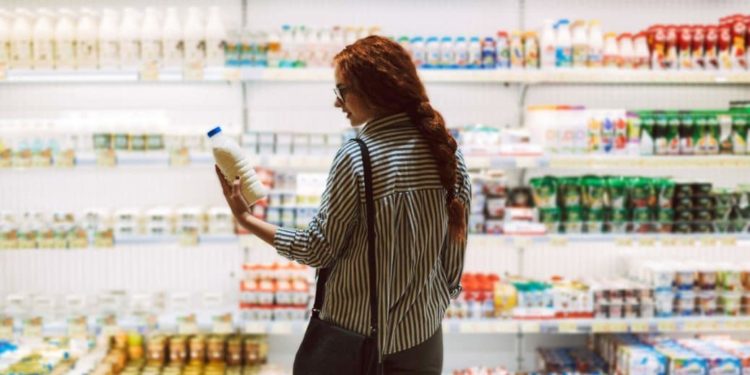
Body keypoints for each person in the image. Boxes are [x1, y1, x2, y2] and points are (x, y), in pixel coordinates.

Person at [216, 35, 471, 374]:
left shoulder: (357, 156)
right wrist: (424, 306)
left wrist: (247, 219)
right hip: (423, 343)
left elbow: (318, 249)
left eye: (342, 90)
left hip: (353, 344)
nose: (338, 102)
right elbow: (452, 262)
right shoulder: (448, 154)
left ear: (375, 91)